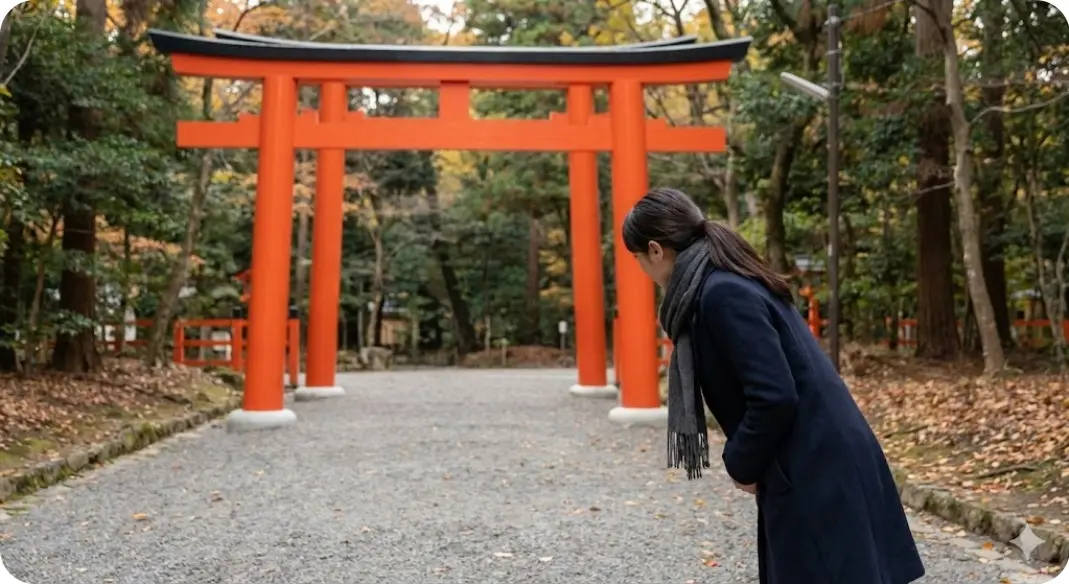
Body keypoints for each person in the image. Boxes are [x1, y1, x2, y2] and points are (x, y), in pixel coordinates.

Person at [622, 187, 926, 584]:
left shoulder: (721, 293)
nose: (642, 270)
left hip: (817, 467)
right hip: (813, 459)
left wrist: (741, 461)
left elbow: (774, 393)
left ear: (656, 250)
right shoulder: (723, 281)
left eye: (638, 259)